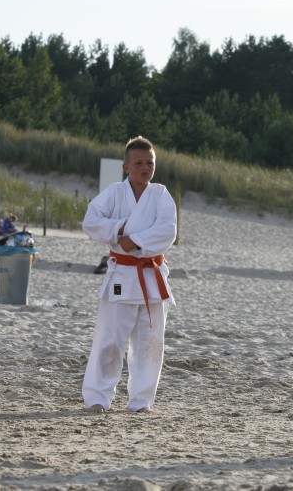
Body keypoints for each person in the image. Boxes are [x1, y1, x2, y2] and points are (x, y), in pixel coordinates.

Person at [81, 136, 177, 413]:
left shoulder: (161, 194)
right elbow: (90, 222)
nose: (145, 168)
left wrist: (134, 239)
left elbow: (168, 231)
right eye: (139, 163)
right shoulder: (114, 193)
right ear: (126, 167)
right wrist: (118, 229)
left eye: (150, 163)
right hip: (122, 274)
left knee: (150, 343)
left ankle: (141, 401)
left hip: (151, 276)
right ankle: (98, 397)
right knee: (110, 339)